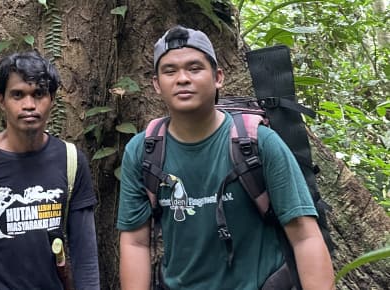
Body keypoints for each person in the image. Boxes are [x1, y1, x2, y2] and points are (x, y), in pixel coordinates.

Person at [117, 25, 334, 289]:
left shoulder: (258, 142)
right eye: (169, 71)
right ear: (156, 84)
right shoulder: (143, 151)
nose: (182, 79)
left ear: (218, 77)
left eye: (195, 68)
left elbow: (304, 236)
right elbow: (135, 241)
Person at [0, 51, 100, 289]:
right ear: (1, 100)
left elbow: (85, 257)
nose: (29, 105)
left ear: (52, 99)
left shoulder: (71, 160)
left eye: (39, 94)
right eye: (18, 95)